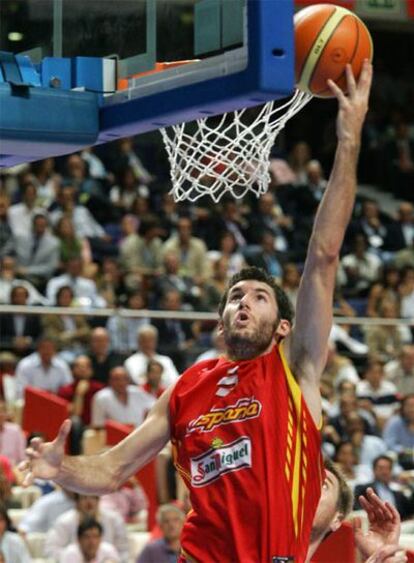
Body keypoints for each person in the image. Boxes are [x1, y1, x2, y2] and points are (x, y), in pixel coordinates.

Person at [20, 62, 373, 563]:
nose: (243, 302)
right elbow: (114, 469)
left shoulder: (296, 369)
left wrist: (350, 137)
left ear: (285, 327)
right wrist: (62, 469)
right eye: (234, 297)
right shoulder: (187, 388)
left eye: (258, 296)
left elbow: (322, 256)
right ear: (221, 321)